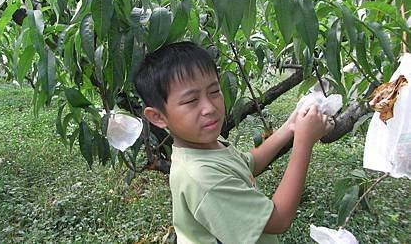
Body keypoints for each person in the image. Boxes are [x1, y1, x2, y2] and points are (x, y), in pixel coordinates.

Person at [134, 41, 330, 244]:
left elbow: (247, 163)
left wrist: (290, 126)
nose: (209, 107)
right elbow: (278, 221)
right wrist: (303, 143)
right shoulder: (202, 178)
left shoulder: (206, 143)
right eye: (191, 101)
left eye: (214, 92)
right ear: (158, 117)